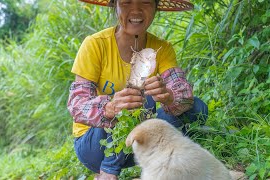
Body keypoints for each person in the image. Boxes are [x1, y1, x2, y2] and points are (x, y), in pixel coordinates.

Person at [67, 0, 208, 179]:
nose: (136, 10)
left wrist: (169, 97)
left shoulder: (162, 48)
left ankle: (168, 165)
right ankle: (108, 170)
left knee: (196, 108)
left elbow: (183, 95)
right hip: (96, 146)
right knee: (137, 102)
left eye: (145, 2)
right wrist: (110, 108)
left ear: (156, 7)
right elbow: (77, 106)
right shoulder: (95, 45)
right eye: (126, 2)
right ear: (115, 5)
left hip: (139, 143)